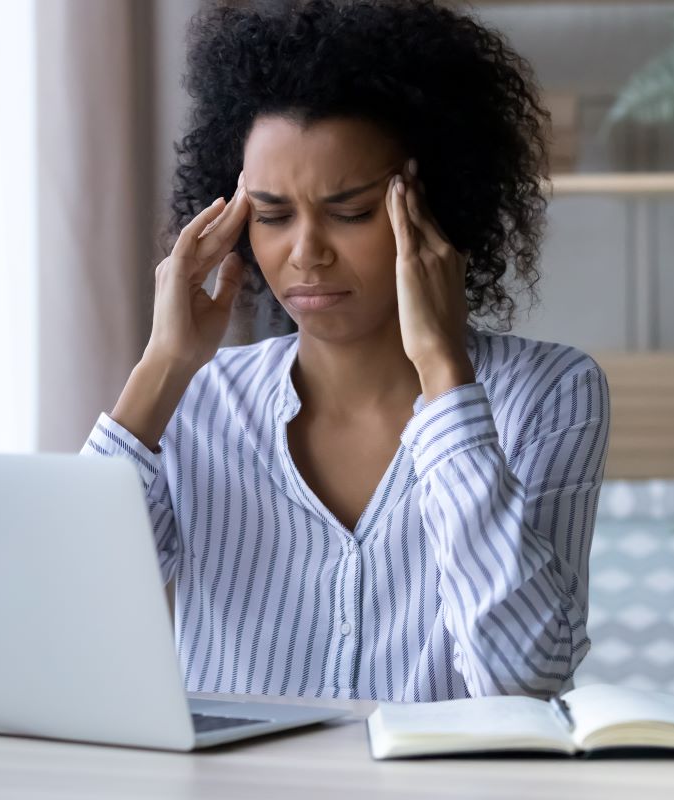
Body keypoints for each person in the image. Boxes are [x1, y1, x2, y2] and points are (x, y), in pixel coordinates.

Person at [82, 0, 609, 702]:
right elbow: (69, 622)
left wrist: (447, 382)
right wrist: (163, 368)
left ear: (438, 207)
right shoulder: (196, 402)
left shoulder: (550, 395)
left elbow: (525, 677)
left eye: (351, 213)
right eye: (271, 216)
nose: (305, 253)